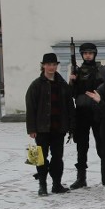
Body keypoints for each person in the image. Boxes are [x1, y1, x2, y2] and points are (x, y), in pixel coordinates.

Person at [25, 52, 75, 196]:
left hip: (58, 128)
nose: (51, 67)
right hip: (41, 129)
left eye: (54, 64)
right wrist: (31, 128)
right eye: (48, 64)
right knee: (40, 157)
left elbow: (69, 105)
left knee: (57, 158)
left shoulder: (62, 84)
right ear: (43, 66)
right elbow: (30, 107)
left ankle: (57, 184)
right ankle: (42, 185)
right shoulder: (36, 85)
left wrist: (71, 126)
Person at [69, 41, 104, 189]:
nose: (88, 56)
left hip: (98, 111)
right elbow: (71, 93)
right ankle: (81, 178)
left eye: (90, 53)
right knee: (82, 146)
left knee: (102, 144)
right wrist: (72, 81)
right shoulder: (77, 71)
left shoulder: (101, 70)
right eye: (85, 53)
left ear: (94, 54)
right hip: (82, 111)